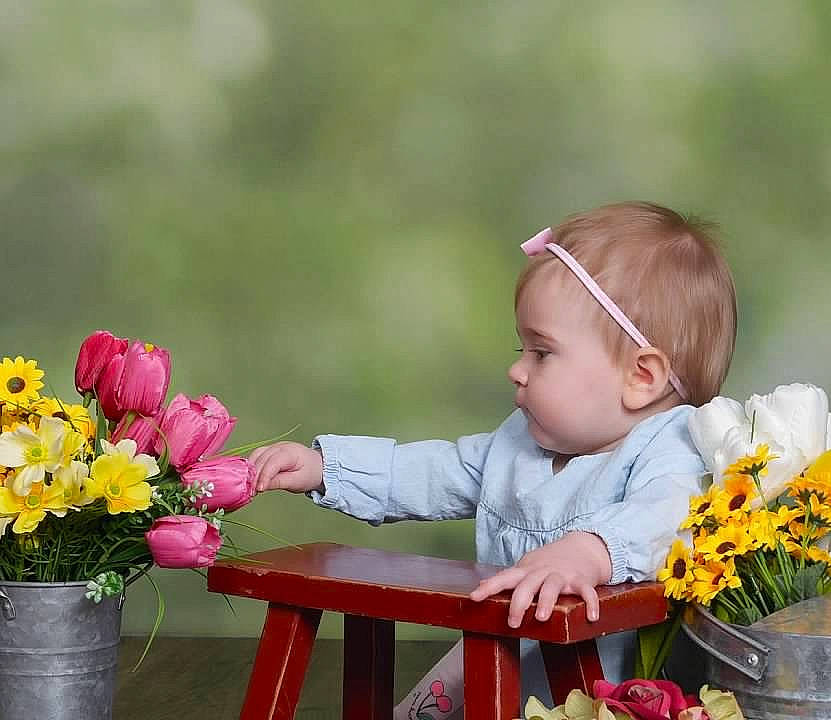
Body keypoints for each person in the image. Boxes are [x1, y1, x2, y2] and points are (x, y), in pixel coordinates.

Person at [247, 201, 738, 716]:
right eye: (520, 348)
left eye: (541, 352)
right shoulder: (519, 445)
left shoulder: (673, 446)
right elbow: (435, 471)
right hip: (497, 655)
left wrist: (591, 552)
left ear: (641, 377)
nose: (516, 370)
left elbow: (672, 511)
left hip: (604, 688)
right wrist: (327, 468)